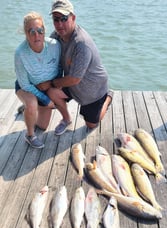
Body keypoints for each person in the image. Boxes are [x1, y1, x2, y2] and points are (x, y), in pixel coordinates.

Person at [37, 0, 113, 134]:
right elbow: (47, 58)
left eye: (64, 19)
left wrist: (51, 82)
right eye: (56, 19)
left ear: (73, 18)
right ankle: (66, 119)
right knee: (51, 92)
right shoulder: (56, 36)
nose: (59, 24)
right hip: (72, 84)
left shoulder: (81, 44)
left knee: (91, 125)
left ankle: (108, 98)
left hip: (92, 89)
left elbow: (74, 79)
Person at [15, 11, 71, 148]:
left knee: (42, 125)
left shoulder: (54, 46)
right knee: (32, 104)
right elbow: (24, 84)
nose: (36, 35)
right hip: (27, 87)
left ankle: (28, 110)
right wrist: (46, 100)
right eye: (31, 31)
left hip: (47, 86)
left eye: (40, 30)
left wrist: (54, 88)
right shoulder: (20, 53)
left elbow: (59, 68)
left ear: (44, 30)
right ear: (26, 33)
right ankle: (29, 135)